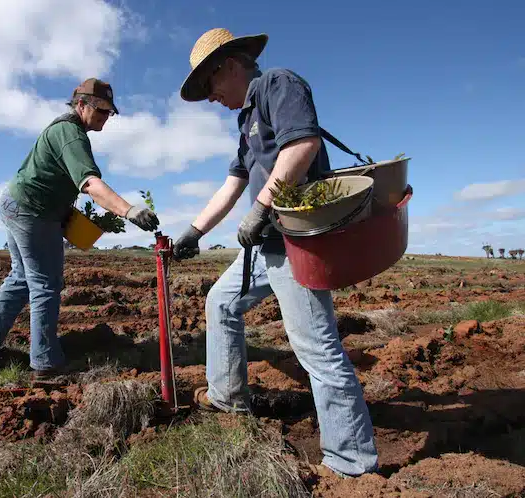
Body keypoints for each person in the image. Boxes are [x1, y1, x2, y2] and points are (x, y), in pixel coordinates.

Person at [172, 28, 379, 477]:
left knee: (317, 349)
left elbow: (303, 144)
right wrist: (193, 231)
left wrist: (263, 207)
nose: (210, 97)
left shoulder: (277, 84)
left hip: (294, 242)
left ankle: (352, 465)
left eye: (208, 85)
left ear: (227, 65)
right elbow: (234, 184)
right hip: (266, 245)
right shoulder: (245, 120)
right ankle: (228, 399)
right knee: (221, 302)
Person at [0, 78, 160, 381]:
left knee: (22, 277)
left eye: (110, 112)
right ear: (80, 104)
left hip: (19, 204)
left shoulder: (66, 131)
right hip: (33, 211)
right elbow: (90, 183)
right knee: (45, 284)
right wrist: (129, 210)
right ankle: (45, 364)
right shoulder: (71, 134)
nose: (105, 117)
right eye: (100, 110)